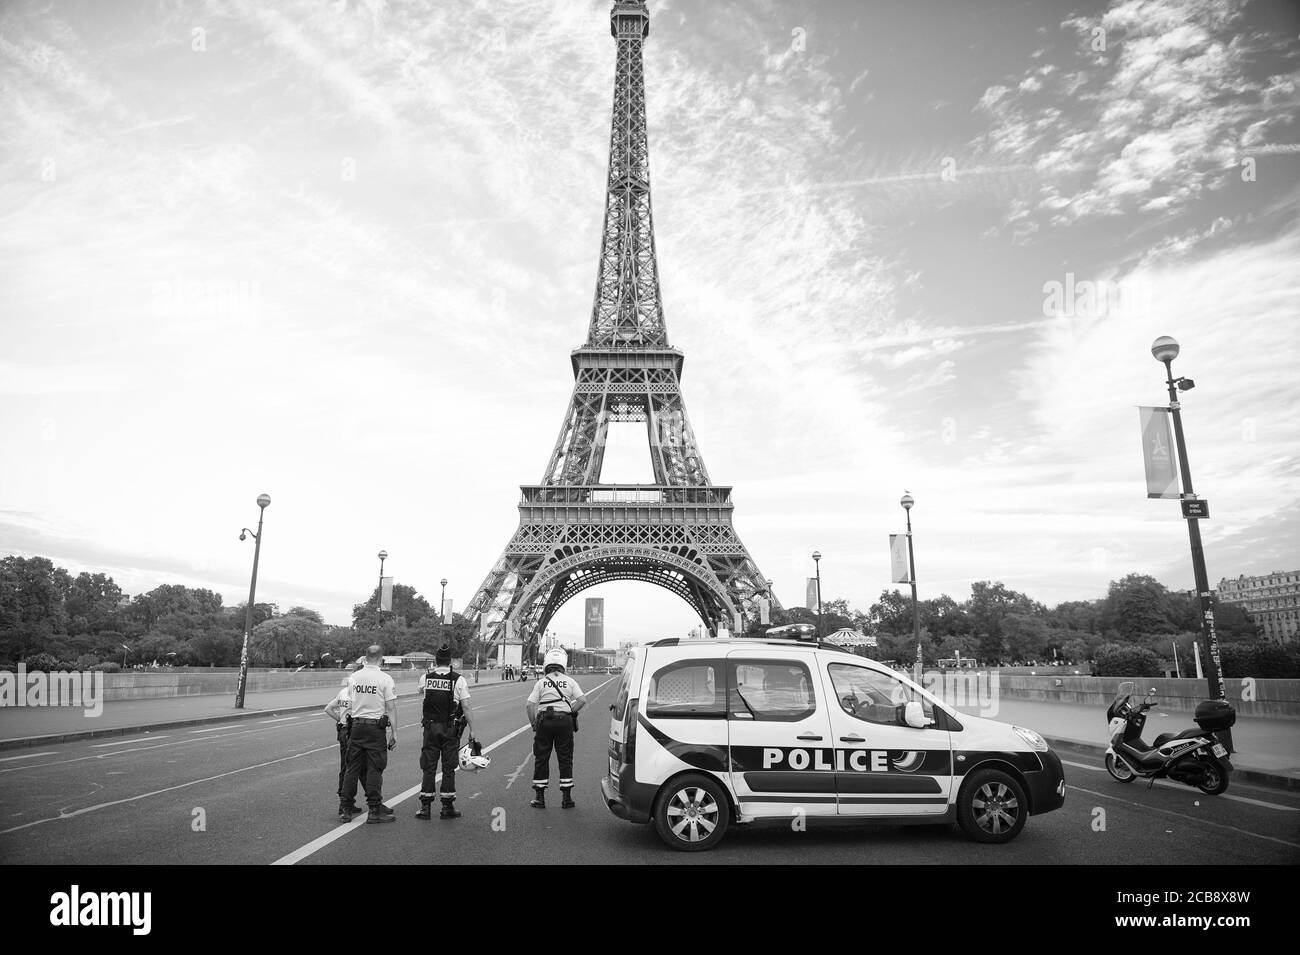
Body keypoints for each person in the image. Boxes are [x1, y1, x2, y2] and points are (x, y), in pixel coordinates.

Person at [339, 644, 398, 824]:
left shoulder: (354, 678)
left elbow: (349, 703)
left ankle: (346, 809)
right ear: (381, 659)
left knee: (352, 769)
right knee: (374, 769)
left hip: (356, 727)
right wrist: (394, 732)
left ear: (365, 658)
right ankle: (374, 810)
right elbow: (390, 707)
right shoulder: (385, 678)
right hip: (375, 729)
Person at [415, 645, 474, 820]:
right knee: (449, 767)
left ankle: (425, 807)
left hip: (430, 728)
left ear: (435, 660)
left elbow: (421, 692)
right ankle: (447, 807)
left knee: (429, 766)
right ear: (450, 662)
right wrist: (473, 730)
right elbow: (466, 706)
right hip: (450, 729)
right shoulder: (459, 680)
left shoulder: (425, 678)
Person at [525, 647, 586, 809]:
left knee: (541, 757)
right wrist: (567, 711)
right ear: (563, 664)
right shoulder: (570, 681)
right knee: (565, 758)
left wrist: (533, 724)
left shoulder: (541, 682)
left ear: (546, 664)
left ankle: (539, 797)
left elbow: (529, 705)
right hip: (564, 722)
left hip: (545, 721)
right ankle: (567, 798)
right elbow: (582, 700)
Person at [323, 662, 368, 817]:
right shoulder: (360, 693)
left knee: (345, 767)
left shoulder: (343, 691)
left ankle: (344, 803)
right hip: (354, 730)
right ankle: (351, 803)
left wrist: (340, 719)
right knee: (358, 767)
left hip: (342, 730)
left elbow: (328, 708)